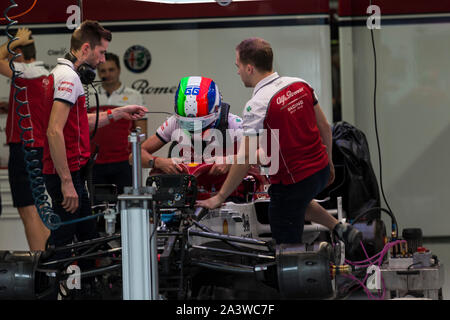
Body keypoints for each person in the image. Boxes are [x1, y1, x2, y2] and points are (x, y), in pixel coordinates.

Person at [197, 38, 362, 254]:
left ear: (249, 67)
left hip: (295, 181)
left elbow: (245, 158)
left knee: (286, 247)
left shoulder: (256, 105)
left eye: (237, 66)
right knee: (298, 202)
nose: (237, 72)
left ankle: (309, 266)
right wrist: (329, 162)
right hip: (320, 171)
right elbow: (325, 127)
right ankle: (340, 228)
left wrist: (219, 196)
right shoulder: (300, 84)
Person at [43, 20, 147, 256]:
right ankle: (48, 290)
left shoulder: (64, 74)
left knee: (89, 241)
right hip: (67, 175)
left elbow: (81, 122)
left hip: (71, 173)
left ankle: (88, 288)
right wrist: (67, 182)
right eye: (101, 53)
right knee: (62, 246)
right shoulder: (68, 78)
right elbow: (53, 131)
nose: (102, 60)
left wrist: (120, 112)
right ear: (87, 49)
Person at [0, 28, 50, 251]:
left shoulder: (23, 72)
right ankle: (51, 265)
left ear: (18, 53)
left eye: (12, 54)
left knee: (28, 210)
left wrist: (14, 41)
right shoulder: (45, 75)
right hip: (39, 148)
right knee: (37, 209)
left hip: (24, 150)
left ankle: (40, 267)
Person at [140, 75, 243, 177]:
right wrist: (158, 162)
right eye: (187, 124)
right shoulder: (174, 122)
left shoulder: (234, 124)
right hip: (191, 188)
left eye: (200, 123)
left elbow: (258, 155)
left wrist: (232, 160)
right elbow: (135, 156)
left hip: (228, 188)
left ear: (216, 110)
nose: (194, 129)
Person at [88, 52, 146, 195]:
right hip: (95, 163)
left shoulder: (134, 95)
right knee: (99, 210)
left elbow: (141, 131)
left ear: (119, 70)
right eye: (103, 70)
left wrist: (136, 157)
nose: (107, 74)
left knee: (126, 208)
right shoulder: (89, 94)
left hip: (124, 162)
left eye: (111, 69)